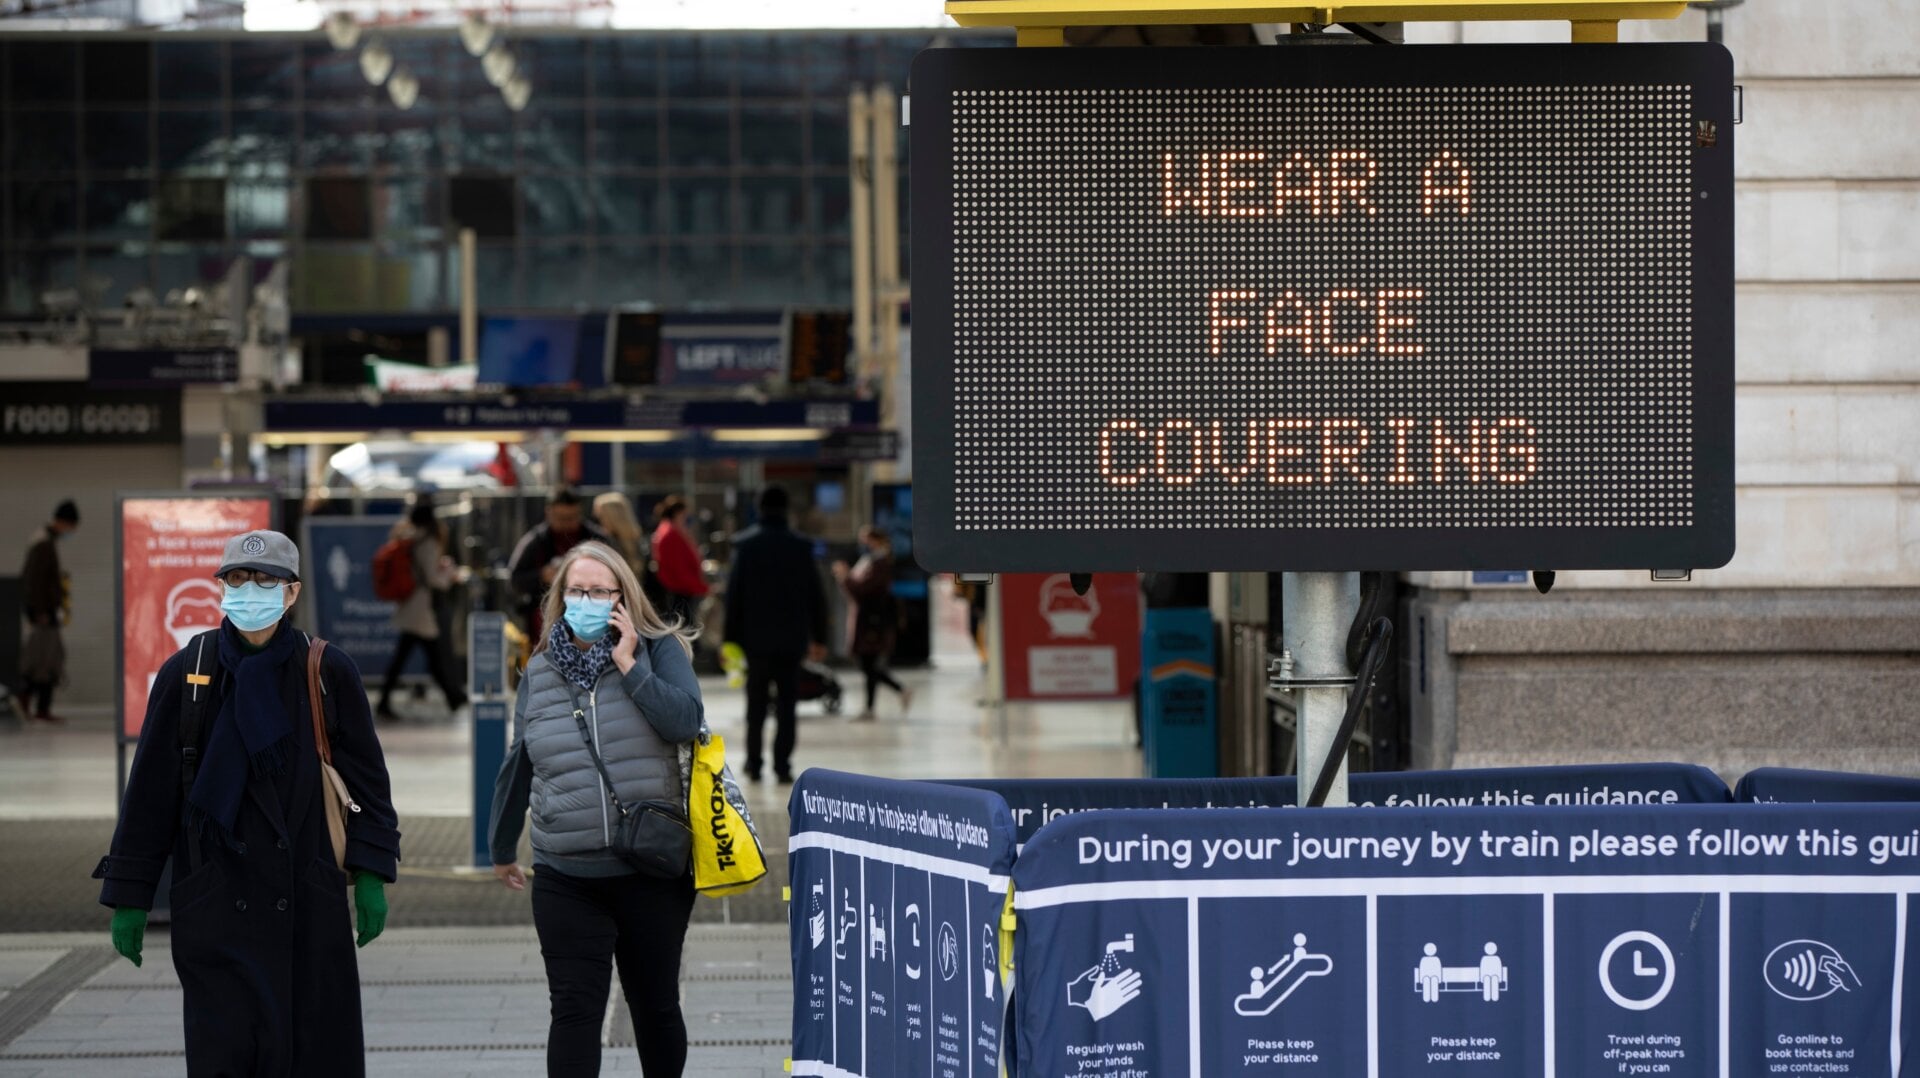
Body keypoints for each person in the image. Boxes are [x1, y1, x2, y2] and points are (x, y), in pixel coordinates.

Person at [94, 529, 399, 1075]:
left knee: (314, 1054)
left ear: (292, 592)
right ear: (220, 588)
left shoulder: (326, 672)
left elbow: (370, 784)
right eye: (236, 579)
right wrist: (130, 895)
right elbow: (149, 794)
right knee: (227, 1056)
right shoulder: (188, 675)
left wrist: (372, 872)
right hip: (215, 900)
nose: (249, 591)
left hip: (307, 899)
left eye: (265, 580)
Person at [487, 541, 703, 1077]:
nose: (586, 600)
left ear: (622, 598)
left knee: (654, 1007)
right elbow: (521, 759)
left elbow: (686, 723)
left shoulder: (659, 649)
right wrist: (500, 843)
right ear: (559, 599)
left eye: (599, 591)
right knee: (575, 1013)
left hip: (650, 868)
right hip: (566, 873)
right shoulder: (538, 671)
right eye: (576, 591)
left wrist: (631, 667)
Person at [723, 487, 828, 782]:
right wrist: (819, 638)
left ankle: (754, 763)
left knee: (755, 705)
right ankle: (782, 765)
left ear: (759, 507)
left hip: (754, 642)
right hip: (791, 641)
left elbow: (735, 597)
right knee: (787, 705)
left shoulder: (746, 546)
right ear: (787, 510)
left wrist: (729, 641)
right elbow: (815, 597)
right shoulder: (801, 547)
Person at [378, 501, 468, 720]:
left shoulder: (411, 538)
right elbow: (432, 578)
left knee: (416, 655)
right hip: (421, 606)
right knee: (430, 655)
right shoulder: (428, 542)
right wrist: (450, 577)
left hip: (412, 605)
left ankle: (453, 696)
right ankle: (453, 696)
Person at [833, 526, 911, 721]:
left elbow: (863, 589)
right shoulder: (871, 561)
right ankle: (881, 701)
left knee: (870, 665)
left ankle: (886, 698)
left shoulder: (879, 563)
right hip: (866, 619)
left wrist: (845, 577)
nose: (863, 544)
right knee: (869, 665)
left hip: (872, 621)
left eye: (866, 540)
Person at [509, 489, 610, 637]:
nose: (567, 523)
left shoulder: (597, 539)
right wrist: (542, 575)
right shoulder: (536, 542)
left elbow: (617, 576)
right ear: (548, 513)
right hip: (544, 624)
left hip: (591, 622)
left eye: (572, 517)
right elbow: (515, 580)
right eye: (561, 518)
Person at [18, 499, 77, 724]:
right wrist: (38, 611)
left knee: (49, 661)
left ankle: (38, 707)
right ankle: (32, 706)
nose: (71, 532)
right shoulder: (42, 543)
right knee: (42, 662)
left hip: (46, 613)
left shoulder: (46, 541)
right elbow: (34, 580)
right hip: (43, 615)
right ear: (63, 522)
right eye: (71, 526)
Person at [650, 495, 709, 627]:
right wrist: (701, 587)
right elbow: (678, 569)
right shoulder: (670, 534)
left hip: (682, 590)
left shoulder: (672, 531)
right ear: (678, 513)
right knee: (685, 629)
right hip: (680, 591)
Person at [592, 491, 650, 582]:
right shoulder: (638, 541)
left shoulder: (608, 542)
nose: (599, 522)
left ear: (611, 517)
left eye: (600, 517)